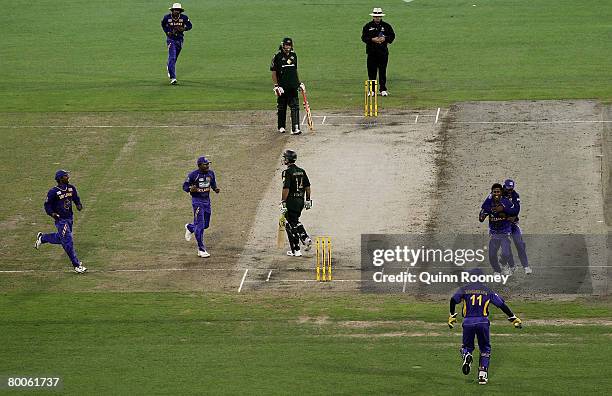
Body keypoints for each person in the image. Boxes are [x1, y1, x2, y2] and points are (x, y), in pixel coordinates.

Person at [448, 268, 523, 384]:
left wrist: (452, 315)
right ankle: (482, 375)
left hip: (468, 322)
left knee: (466, 347)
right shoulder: (488, 291)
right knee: (485, 348)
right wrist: (513, 318)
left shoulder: (464, 289)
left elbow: (453, 300)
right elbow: (502, 305)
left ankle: (467, 355)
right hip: (483, 322)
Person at [34, 170, 87, 274]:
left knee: (62, 238)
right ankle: (76, 265)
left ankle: (43, 238)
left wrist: (78, 204)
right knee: (68, 242)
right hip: (60, 220)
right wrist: (52, 213)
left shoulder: (71, 188)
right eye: (65, 176)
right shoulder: (53, 192)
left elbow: (75, 198)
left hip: (69, 218)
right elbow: (47, 205)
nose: (68, 177)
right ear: (60, 179)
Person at [183, 156, 220, 258]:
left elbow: (212, 183)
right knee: (200, 226)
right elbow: (185, 186)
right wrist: (191, 189)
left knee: (206, 225)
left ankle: (190, 227)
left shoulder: (211, 173)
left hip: (206, 201)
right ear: (199, 165)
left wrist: (215, 189)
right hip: (197, 202)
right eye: (205, 164)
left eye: (208, 164)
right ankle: (201, 249)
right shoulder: (193, 175)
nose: (207, 166)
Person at [479, 183, 518, 275]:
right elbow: (481, 217)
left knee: (506, 253)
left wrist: (506, 213)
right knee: (492, 255)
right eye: (494, 192)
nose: (496, 193)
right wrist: (483, 214)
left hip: (505, 232)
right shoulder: (489, 203)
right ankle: (497, 270)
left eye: (498, 192)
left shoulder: (506, 202)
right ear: (492, 193)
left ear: (501, 193)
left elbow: (514, 213)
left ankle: (505, 265)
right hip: (494, 233)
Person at [270, 37, 306, 135]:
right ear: (283, 45)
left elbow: (295, 70)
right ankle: (281, 126)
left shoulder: (294, 55)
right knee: (282, 107)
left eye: (289, 45)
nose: (288, 47)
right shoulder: (277, 56)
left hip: (292, 86)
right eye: (286, 45)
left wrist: (299, 83)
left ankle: (295, 128)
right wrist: (276, 85)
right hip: (282, 87)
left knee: (295, 106)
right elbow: (273, 72)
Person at [280, 150, 312, 256]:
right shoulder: (301, 171)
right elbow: (307, 186)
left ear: (288, 159)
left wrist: (283, 202)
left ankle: (296, 250)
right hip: (300, 201)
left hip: (291, 201)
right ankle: (305, 238)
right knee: (295, 221)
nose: (284, 159)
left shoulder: (287, 172)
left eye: (285, 158)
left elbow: (286, 188)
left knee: (290, 225)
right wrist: (308, 200)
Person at [361, 7, 395, 96]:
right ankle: (372, 90)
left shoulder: (386, 26)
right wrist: (372, 39)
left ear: (381, 16)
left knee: (382, 71)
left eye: (379, 16)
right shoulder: (367, 26)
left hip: (383, 53)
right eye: (376, 16)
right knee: (371, 72)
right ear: (373, 16)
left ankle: (383, 89)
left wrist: (385, 39)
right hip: (371, 53)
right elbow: (364, 38)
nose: (377, 18)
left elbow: (392, 36)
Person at [502, 179, 532, 274]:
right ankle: (511, 266)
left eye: (511, 189)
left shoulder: (515, 195)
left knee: (519, 244)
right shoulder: (498, 196)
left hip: (514, 224)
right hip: (503, 226)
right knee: (506, 248)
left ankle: (526, 266)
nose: (510, 191)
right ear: (504, 187)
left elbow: (517, 210)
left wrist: (509, 214)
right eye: (508, 189)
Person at [161, 3, 192, 85]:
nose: (176, 12)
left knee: (174, 58)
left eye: (178, 10)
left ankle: (169, 66)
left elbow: (190, 26)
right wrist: (167, 32)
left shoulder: (184, 18)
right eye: (175, 10)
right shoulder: (167, 18)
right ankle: (173, 78)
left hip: (180, 40)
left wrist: (183, 29)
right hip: (171, 40)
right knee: (172, 57)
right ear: (172, 10)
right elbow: (163, 24)